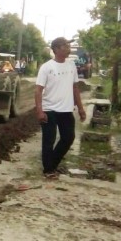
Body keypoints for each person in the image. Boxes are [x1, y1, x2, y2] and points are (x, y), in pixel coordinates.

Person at [35, 37, 86, 179]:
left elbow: (75, 88)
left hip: (66, 110)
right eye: (65, 46)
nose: (68, 48)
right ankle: (48, 170)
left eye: (68, 46)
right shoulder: (47, 67)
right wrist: (40, 110)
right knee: (49, 140)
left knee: (69, 137)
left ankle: (52, 164)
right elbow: (38, 90)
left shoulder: (71, 66)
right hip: (49, 110)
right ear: (56, 49)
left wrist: (81, 108)